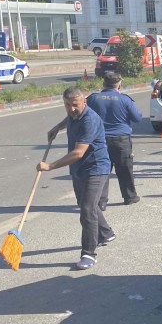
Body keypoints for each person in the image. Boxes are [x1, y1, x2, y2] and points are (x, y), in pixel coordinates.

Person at [37, 88, 115, 271]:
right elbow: (69, 118)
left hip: (96, 168)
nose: (71, 109)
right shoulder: (74, 115)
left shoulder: (90, 120)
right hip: (79, 168)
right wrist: (57, 127)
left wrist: (50, 166)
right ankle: (106, 233)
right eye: (67, 105)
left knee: (87, 209)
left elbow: (78, 152)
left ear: (84, 102)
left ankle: (89, 254)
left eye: (75, 105)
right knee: (86, 203)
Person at [86, 72, 143, 210]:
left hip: (99, 141)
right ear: (119, 85)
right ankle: (129, 197)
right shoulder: (125, 99)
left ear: (103, 83)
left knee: (101, 170)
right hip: (121, 140)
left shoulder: (93, 98)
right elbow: (137, 118)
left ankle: (101, 202)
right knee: (125, 169)